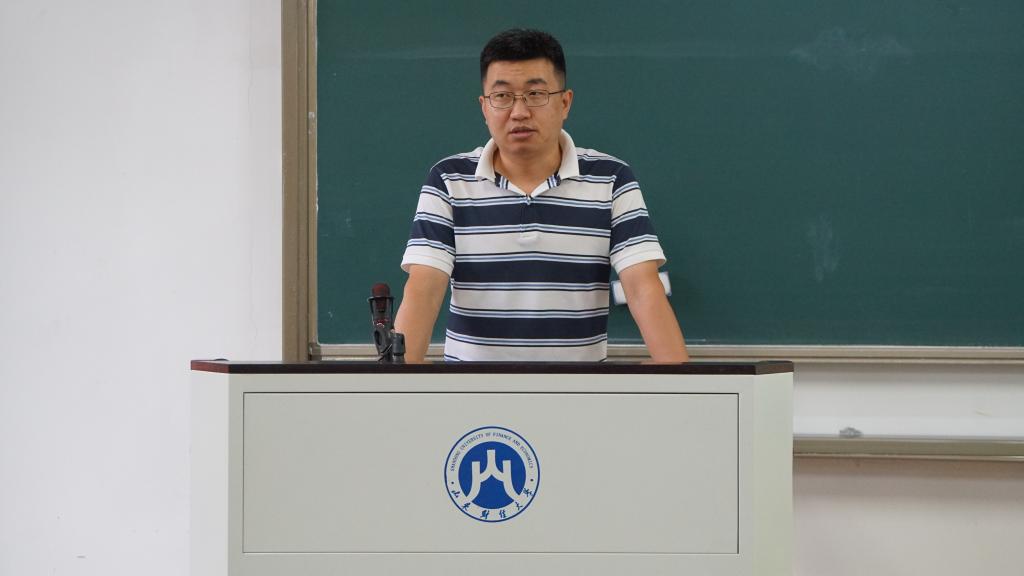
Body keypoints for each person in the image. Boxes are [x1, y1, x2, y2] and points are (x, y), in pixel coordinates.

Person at [395, 28, 687, 363]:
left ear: (565, 103)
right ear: (484, 107)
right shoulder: (449, 179)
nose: (519, 112)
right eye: (502, 96)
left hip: (581, 389)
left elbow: (642, 288)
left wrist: (688, 386)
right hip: (473, 391)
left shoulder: (611, 178)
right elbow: (424, 290)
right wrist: (394, 385)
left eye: (536, 94)